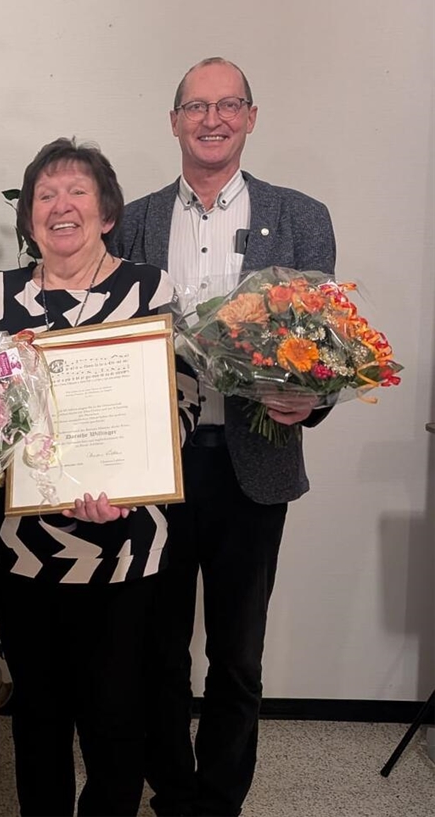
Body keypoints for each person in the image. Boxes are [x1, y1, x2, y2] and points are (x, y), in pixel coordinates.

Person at [114, 57, 336, 817]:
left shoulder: (302, 216)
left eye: (228, 105)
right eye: (197, 106)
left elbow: (325, 343)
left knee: (237, 656)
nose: (212, 119)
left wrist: (312, 397)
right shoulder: (137, 218)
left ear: (250, 116)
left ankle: (219, 802)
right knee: (159, 655)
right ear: (173, 120)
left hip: (253, 465)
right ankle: (173, 792)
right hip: (158, 469)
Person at [0, 137, 199, 816]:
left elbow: (180, 404)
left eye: (77, 191)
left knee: (117, 715)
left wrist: (127, 486)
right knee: (39, 712)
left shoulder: (148, 288)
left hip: (126, 546)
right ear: (29, 215)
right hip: (20, 546)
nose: (60, 204)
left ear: (106, 212)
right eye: (45, 194)